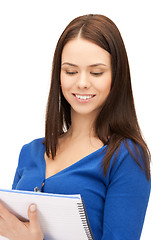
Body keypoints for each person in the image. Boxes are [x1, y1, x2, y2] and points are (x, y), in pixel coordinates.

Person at [0, 14, 151, 240]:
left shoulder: (126, 156)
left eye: (96, 72)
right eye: (71, 71)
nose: (81, 82)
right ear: (58, 75)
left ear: (116, 76)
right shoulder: (30, 152)